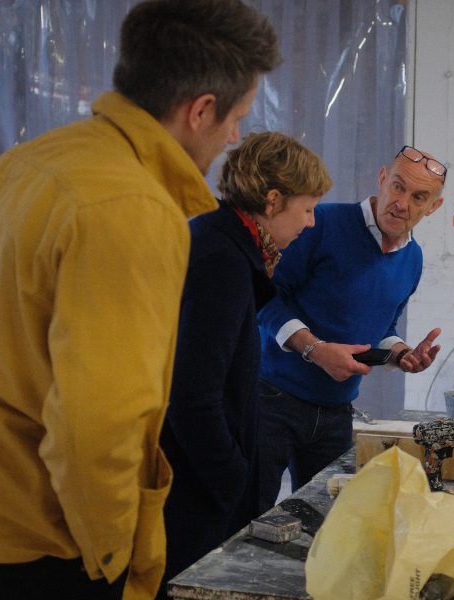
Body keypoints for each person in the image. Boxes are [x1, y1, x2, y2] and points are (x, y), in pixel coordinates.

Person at [0, 1, 278, 599]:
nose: (236, 136)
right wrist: (115, 564)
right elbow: (98, 425)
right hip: (35, 548)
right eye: (237, 118)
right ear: (200, 110)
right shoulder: (131, 207)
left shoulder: (28, 163)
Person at [159, 132, 331, 595]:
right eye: (308, 207)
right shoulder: (222, 259)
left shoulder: (225, 243)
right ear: (274, 201)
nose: (312, 223)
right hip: (193, 489)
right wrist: (234, 480)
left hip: (196, 480)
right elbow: (192, 396)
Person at [256, 145, 446, 512]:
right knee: (250, 519)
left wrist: (403, 354)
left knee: (329, 523)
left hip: (336, 411)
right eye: (397, 186)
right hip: (272, 399)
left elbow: (382, 326)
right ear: (381, 179)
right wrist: (314, 349)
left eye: (418, 196)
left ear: (432, 207)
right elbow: (265, 297)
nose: (401, 202)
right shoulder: (321, 224)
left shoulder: (413, 259)